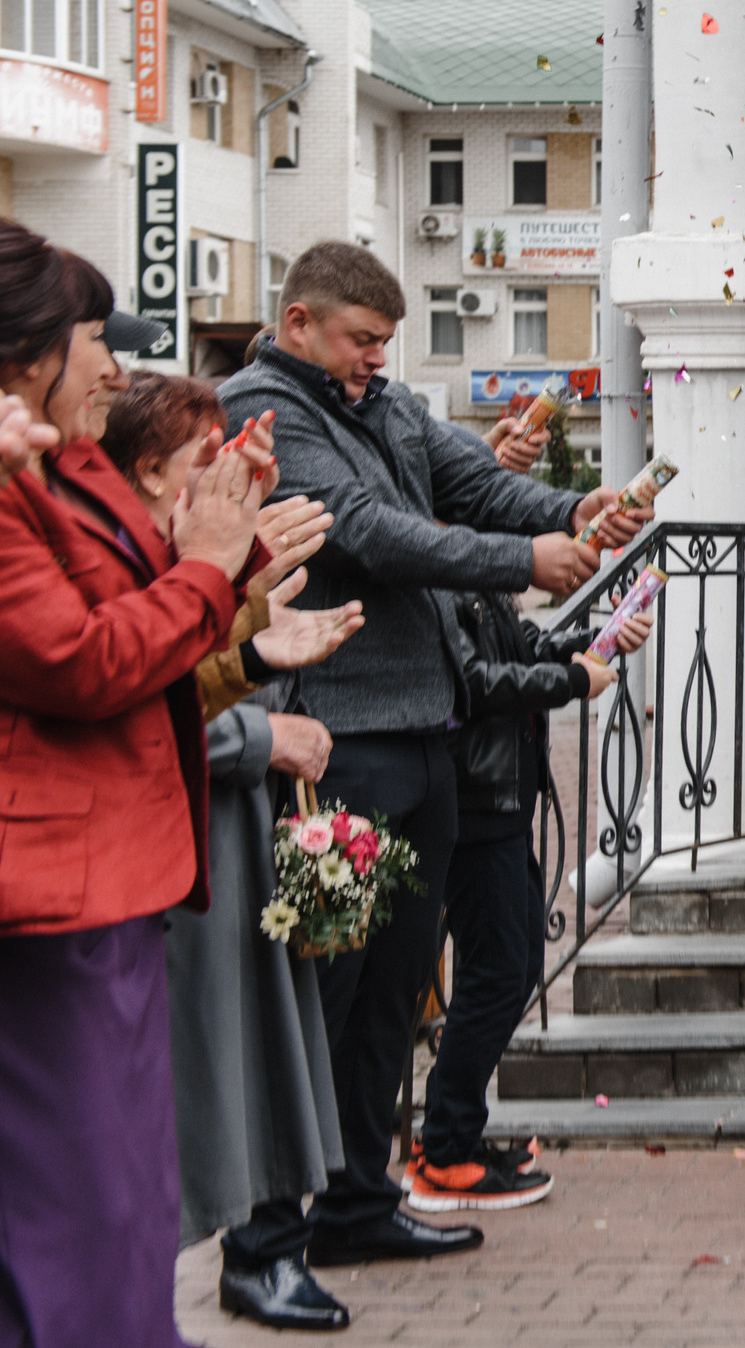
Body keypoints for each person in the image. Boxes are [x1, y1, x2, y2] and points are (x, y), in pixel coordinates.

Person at [217, 242, 652, 1271]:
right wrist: (520, 558)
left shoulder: (391, 405)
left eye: (384, 342)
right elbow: (368, 534)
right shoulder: (260, 410)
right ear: (300, 328)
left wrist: (571, 511)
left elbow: (468, 481)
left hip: (423, 736)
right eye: (362, 340)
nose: (377, 357)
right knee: (319, 998)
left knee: (395, 992)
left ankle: (359, 1201)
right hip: (332, 743)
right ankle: (270, 1234)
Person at [0, 225, 270, 1348]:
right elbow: (79, 660)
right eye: (93, 341)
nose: (115, 368)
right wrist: (210, 566)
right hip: (53, 887)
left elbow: (146, 604)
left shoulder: (58, 472)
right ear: (26, 357)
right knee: (83, 1205)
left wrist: (228, 540)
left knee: (124, 1199)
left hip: (106, 878)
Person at [102, 374, 368, 1333]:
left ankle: (264, 1248)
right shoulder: (120, 559)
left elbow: (201, 669)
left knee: (264, 1053)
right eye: (204, 466)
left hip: (232, 830)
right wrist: (263, 726)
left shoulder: (176, 553)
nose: (224, 485)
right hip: (182, 846)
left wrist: (258, 634)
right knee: (210, 1069)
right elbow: (131, 697)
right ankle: (239, 1256)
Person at [408, 573, 649, 1212]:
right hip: (476, 801)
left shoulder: (473, 575)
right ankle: (445, 1151)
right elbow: (477, 683)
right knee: (497, 973)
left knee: (512, 973)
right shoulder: (443, 577)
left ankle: (452, 1132)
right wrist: (572, 681)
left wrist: (597, 640)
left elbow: (518, 644)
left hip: (500, 799)